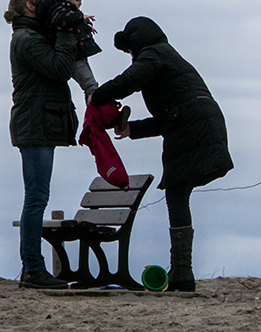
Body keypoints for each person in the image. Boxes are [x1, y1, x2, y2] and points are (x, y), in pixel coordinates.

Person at [91, 16, 233, 292]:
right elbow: (168, 117)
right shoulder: (166, 57)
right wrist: (131, 129)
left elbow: (130, 80)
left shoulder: (154, 54)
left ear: (137, 42)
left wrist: (98, 96)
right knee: (177, 194)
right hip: (198, 123)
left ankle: (182, 272)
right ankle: (181, 273)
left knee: (177, 193)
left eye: (131, 51)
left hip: (193, 127)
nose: (132, 57)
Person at [4, 0, 80, 289]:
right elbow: (60, 69)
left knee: (36, 197)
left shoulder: (28, 37)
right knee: (36, 198)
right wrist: (65, 32)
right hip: (34, 125)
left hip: (36, 124)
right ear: (30, 6)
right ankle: (34, 268)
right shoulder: (26, 40)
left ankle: (32, 267)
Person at [31, 0, 101, 100]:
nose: (79, 4)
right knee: (90, 85)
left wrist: (84, 24)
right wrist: (80, 18)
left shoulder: (60, 7)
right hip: (73, 54)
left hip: (75, 52)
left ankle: (97, 110)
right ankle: (98, 112)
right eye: (77, 0)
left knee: (90, 84)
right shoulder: (60, 9)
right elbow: (64, 20)